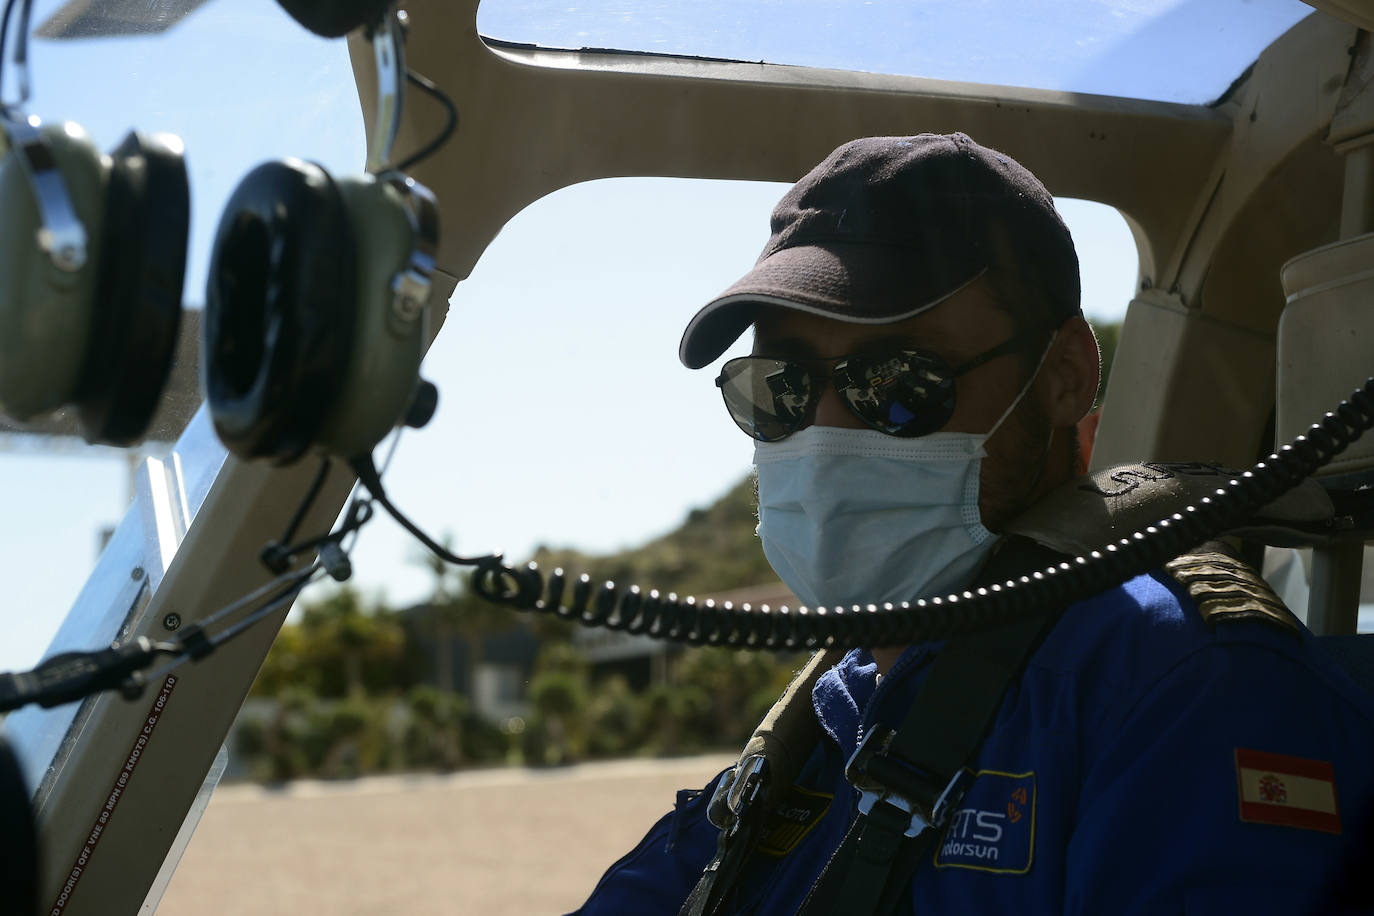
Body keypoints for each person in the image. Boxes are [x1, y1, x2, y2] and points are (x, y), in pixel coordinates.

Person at [570, 133, 1374, 915]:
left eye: (897, 382)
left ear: (1064, 377)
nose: (824, 430)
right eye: (778, 386)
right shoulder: (822, 714)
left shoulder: (1179, 683)